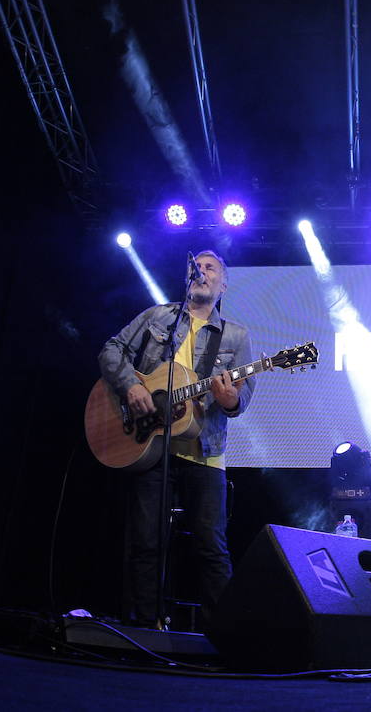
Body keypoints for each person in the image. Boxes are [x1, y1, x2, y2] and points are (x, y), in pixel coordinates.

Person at [98, 250, 255, 628]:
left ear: (223, 284)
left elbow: (242, 396)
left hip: (205, 452)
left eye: (210, 268)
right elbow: (111, 349)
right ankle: (146, 628)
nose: (201, 272)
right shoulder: (158, 317)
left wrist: (229, 398)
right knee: (147, 542)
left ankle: (227, 634)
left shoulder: (235, 335)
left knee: (210, 546)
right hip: (151, 447)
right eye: (195, 267)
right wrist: (132, 385)